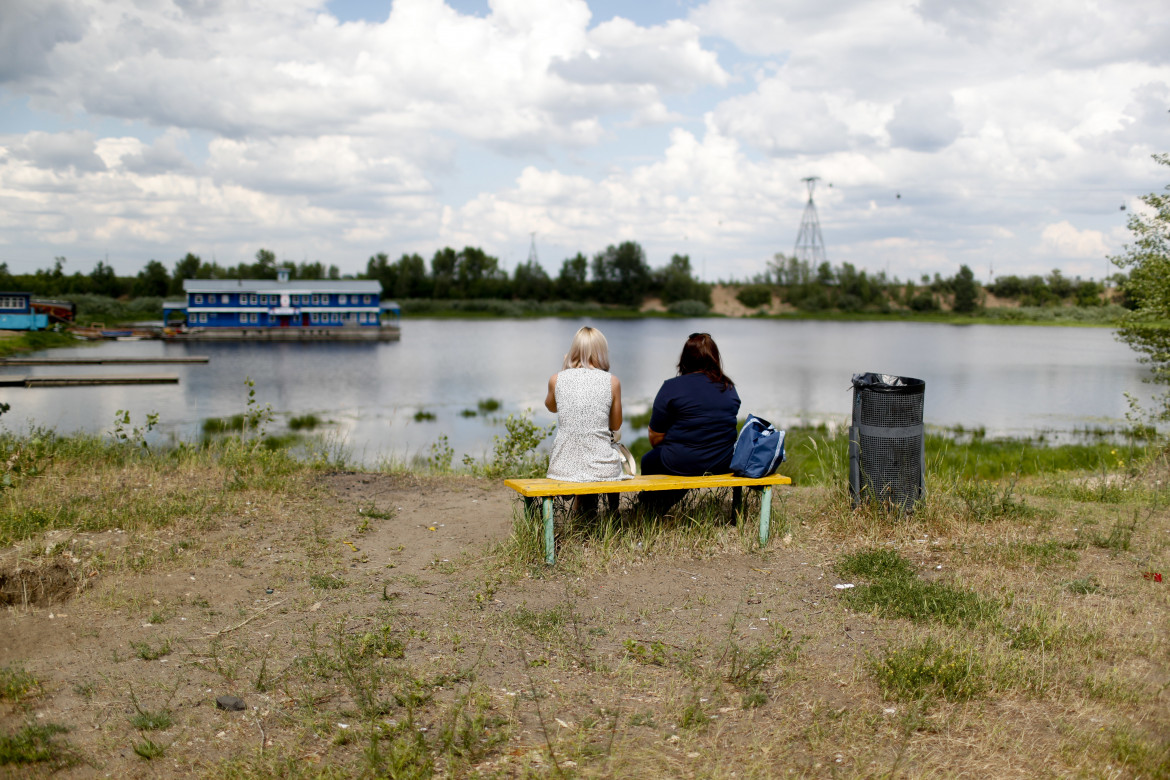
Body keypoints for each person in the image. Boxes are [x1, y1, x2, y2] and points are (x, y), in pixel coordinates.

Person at [640, 332, 741, 511]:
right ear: (715, 358)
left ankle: (652, 508)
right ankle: (652, 505)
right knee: (682, 459)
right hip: (722, 462)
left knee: (650, 460)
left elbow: (654, 438)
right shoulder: (729, 388)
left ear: (685, 359)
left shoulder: (671, 387)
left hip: (681, 462)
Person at [545, 326, 627, 512]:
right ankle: (612, 517)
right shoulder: (612, 382)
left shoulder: (556, 379)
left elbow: (551, 407)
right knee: (605, 456)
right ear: (602, 352)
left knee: (581, 453)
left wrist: (564, 370)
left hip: (562, 467)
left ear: (573, 350)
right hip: (602, 468)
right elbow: (615, 425)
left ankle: (582, 513)